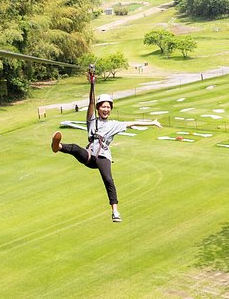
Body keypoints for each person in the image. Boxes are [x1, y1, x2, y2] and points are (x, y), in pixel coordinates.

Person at [51, 70, 162, 222]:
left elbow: (133, 123)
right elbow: (90, 102)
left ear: (111, 109)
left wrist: (152, 122)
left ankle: (115, 211)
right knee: (76, 149)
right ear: (98, 108)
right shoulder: (92, 120)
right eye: (103, 107)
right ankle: (58, 147)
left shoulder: (114, 125)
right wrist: (92, 84)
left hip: (103, 156)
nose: (106, 109)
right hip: (90, 155)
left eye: (108, 107)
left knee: (108, 180)